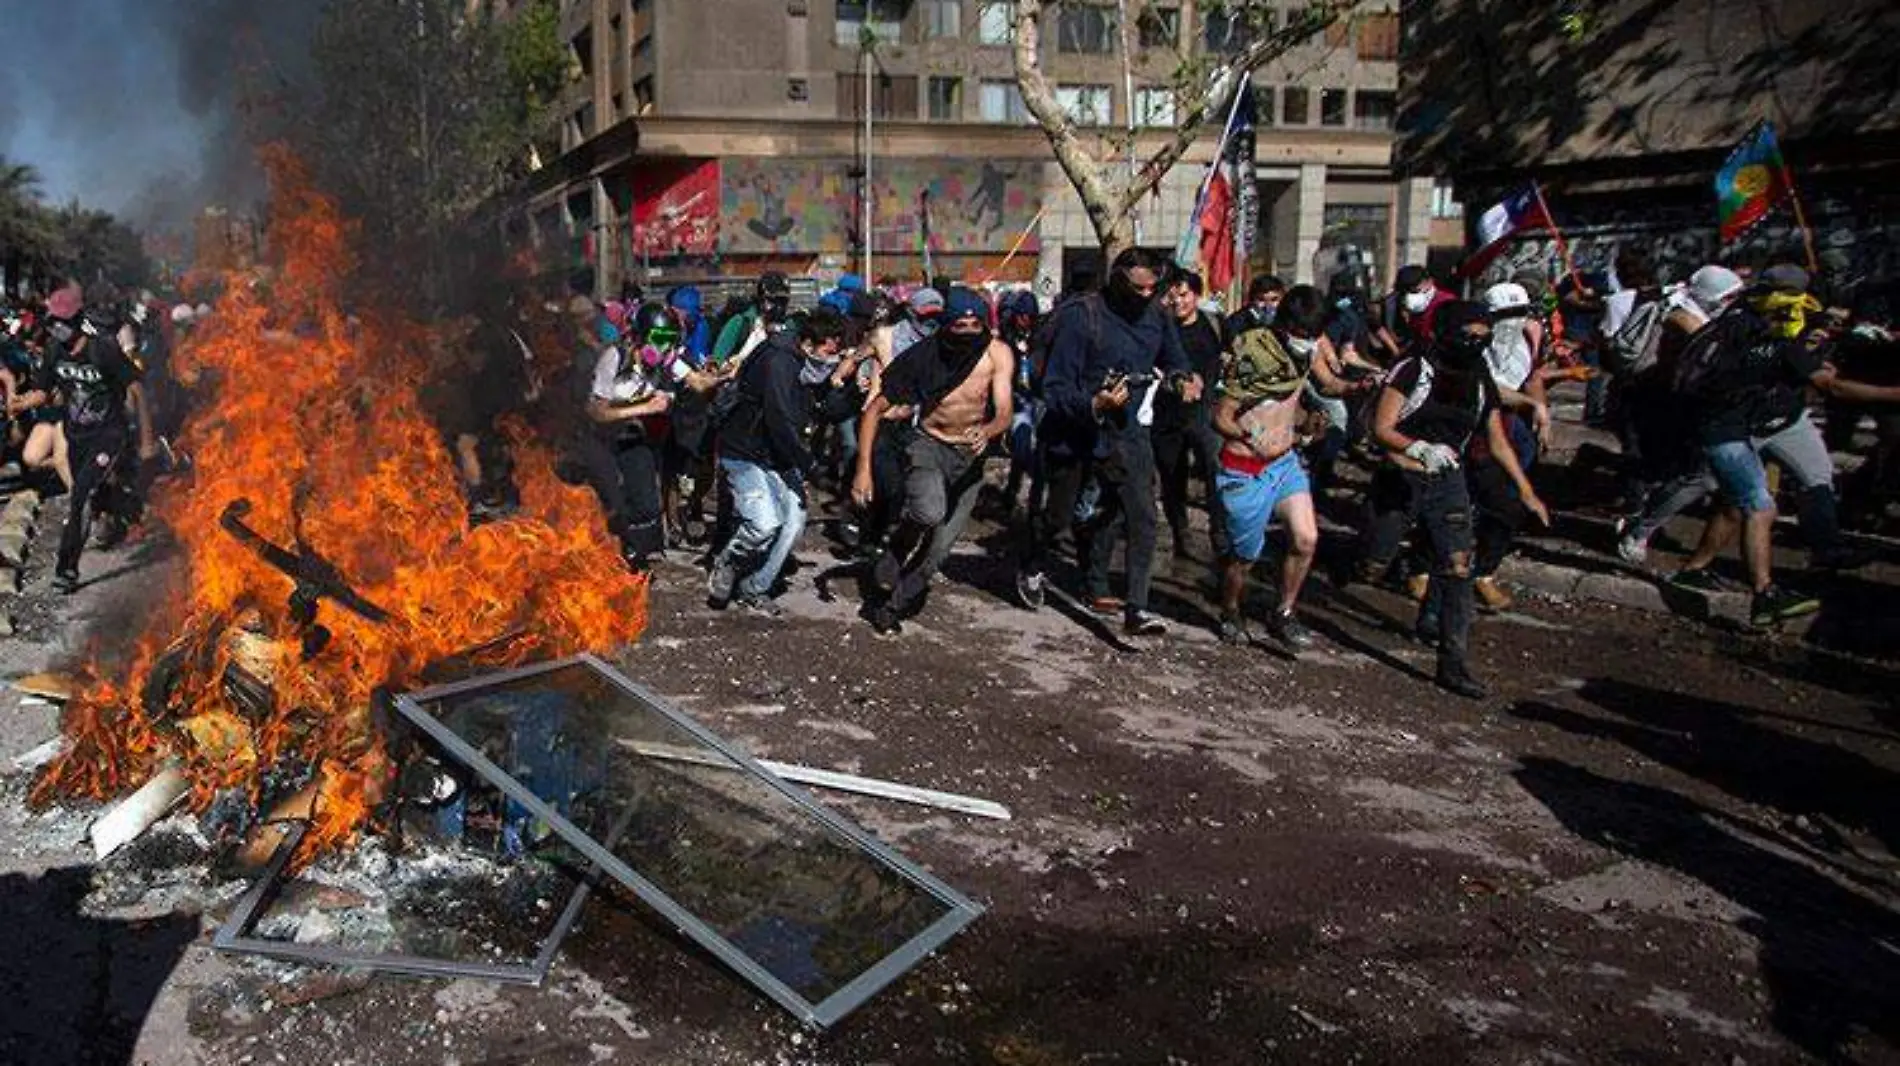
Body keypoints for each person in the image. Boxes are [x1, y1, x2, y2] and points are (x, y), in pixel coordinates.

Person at [1667, 265, 1895, 625]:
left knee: (1744, 504)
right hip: (1727, 430)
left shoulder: (1747, 324)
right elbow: (1826, 382)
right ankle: (1764, 595)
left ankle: (1698, 568)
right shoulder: (1755, 334)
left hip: (1749, 424)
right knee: (1759, 506)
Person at [1358, 302, 1550, 699]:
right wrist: (1418, 448)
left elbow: (1496, 438)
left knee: (1459, 564)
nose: (1474, 345)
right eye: (1468, 336)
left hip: (1448, 478)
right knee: (1373, 562)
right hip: (1402, 473)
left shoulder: (1479, 378)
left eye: (1483, 338)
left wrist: (1525, 490)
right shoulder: (1414, 367)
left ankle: (1453, 660)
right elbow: (1382, 427)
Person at [1015, 247, 1199, 636]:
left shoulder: (1157, 317)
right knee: (1059, 518)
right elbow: (1055, 387)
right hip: (1073, 431)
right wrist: (1093, 403)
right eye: (1139, 289)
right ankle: (1033, 565)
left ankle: (1136, 606)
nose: (1147, 296)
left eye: (1154, 288)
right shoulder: (1083, 318)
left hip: (1127, 432)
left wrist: (1183, 379)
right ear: (1118, 281)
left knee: (1140, 516)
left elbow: (1175, 358)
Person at [853, 288, 1014, 634]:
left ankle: (891, 607)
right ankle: (896, 548)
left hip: (970, 458)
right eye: (961, 325)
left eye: (976, 324)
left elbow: (1004, 411)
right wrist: (862, 470)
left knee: (938, 552)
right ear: (947, 325)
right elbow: (874, 411)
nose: (970, 331)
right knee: (928, 512)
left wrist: (988, 429)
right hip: (929, 445)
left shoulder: (996, 354)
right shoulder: (924, 358)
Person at [707, 308, 860, 615]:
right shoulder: (779, 361)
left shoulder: (807, 365)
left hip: (777, 454)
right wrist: (810, 467)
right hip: (745, 451)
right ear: (812, 343)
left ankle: (755, 588)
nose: (835, 357)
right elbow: (779, 420)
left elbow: (821, 409)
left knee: (793, 521)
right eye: (832, 349)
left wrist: (851, 392)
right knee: (764, 523)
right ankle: (727, 564)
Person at [1614, 265, 1745, 562]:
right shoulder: (1682, 317)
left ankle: (1641, 520)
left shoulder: (1696, 313)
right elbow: (1713, 357)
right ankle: (1638, 521)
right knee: (1674, 470)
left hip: (1679, 403)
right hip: (1655, 401)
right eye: (1729, 297)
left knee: (1683, 472)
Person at [1211, 296, 1321, 649]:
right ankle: (1230, 609)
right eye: (1303, 332)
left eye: (1314, 333)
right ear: (1286, 327)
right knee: (1244, 558)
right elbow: (1222, 416)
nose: (1309, 339)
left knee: (1306, 538)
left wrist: (1309, 421)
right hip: (1245, 469)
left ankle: (1284, 612)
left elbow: (1304, 398)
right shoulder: (1254, 355)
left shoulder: (1303, 359)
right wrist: (1248, 434)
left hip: (1285, 463)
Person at [45, 305, 145, 592]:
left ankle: (66, 570)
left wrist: (144, 435)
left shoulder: (105, 350)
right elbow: (43, 391)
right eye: (52, 324)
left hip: (110, 433)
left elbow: (136, 386)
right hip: (78, 435)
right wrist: (20, 401)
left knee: (79, 496)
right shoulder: (54, 351)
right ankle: (119, 510)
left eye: (62, 323)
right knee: (92, 489)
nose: (57, 329)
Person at [584, 302, 680, 571]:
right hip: (602, 439)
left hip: (633, 438)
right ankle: (607, 557)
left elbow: (690, 382)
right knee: (612, 502)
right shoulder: (614, 358)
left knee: (647, 505)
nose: (663, 349)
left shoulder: (661, 367)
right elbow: (596, 411)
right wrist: (644, 408)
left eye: (668, 341)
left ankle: (632, 553)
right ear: (640, 337)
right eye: (658, 340)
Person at [1152, 270, 1227, 561]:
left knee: (1215, 472)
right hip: (1167, 415)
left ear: (1195, 295)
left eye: (1183, 295)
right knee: (1173, 478)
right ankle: (1180, 532)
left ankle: (1219, 534)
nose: (1178, 302)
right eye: (1172, 296)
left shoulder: (1215, 325)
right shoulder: (1159, 328)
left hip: (1205, 414)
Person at [711, 271, 794, 365]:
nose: (778, 306)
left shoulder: (789, 325)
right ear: (761, 299)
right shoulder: (741, 322)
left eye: (783, 301)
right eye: (773, 300)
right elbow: (717, 360)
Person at [1387, 265, 1451, 354]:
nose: (1409, 296)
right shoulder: (1400, 304)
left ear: (1429, 282)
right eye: (1405, 292)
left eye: (1415, 291)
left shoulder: (1446, 303)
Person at [1224, 274, 1286, 339]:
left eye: (1274, 300)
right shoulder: (1236, 323)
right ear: (1251, 300)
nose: (1268, 306)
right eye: (1261, 300)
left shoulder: (1286, 322)